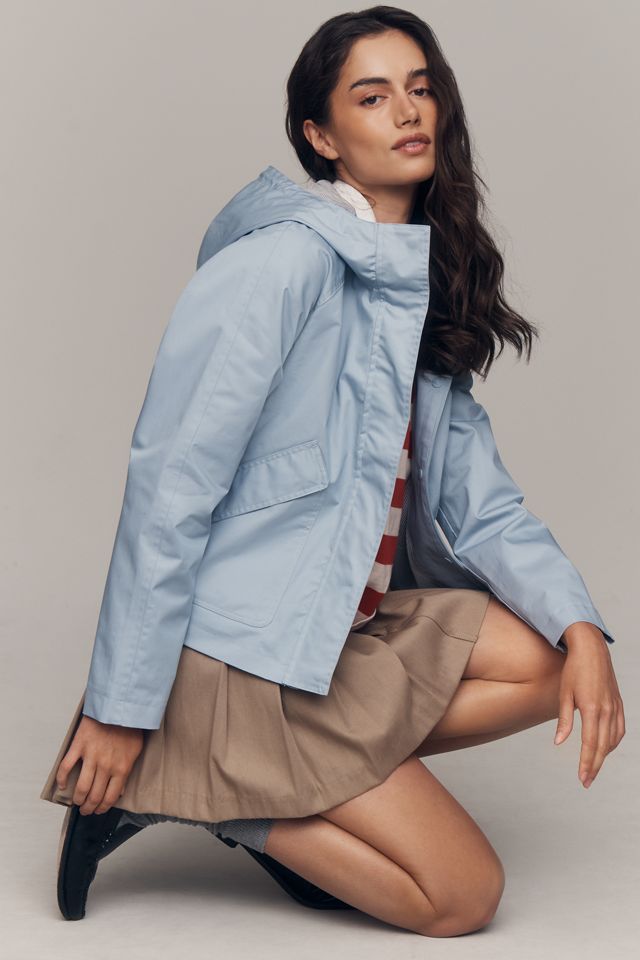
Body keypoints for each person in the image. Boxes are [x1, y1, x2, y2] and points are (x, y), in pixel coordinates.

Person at [40, 5, 624, 937]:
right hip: (236, 658)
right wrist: (119, 706)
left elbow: (482, 507)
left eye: (420, 89)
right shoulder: (282, 262)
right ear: (321, 136)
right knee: (462, 898)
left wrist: (584, 626)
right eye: (373, 96)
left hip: (325, 636)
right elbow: (171, 485)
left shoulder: (410, 285)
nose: (408, 111)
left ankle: (274, 776)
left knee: (551, 660)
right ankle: (188, 783)